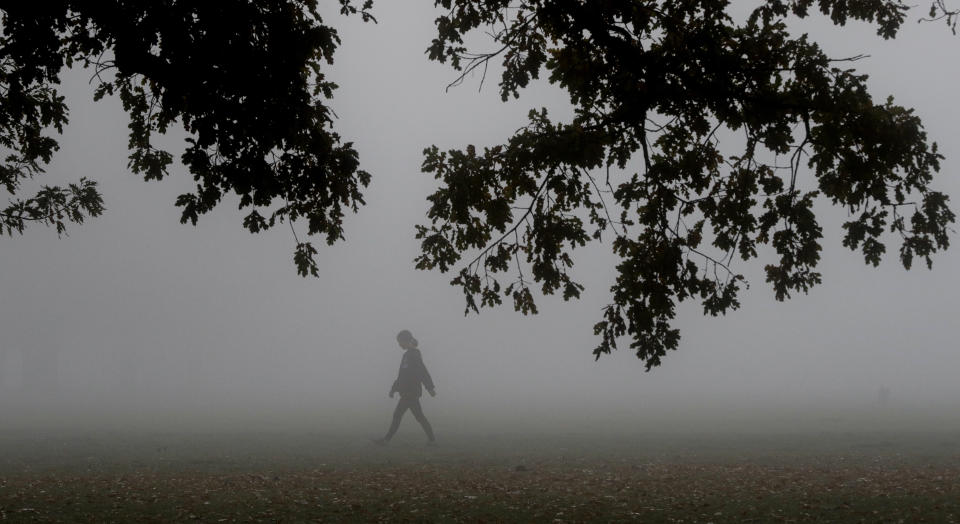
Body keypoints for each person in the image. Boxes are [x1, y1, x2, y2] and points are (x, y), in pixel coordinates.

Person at [374, 330, 436, 446]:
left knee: (399, 415)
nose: (399, 345)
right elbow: (402, 375)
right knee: (418, 417)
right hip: (407, 392)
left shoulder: (414, 354)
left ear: (407, 341)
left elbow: (422, 371)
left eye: (400, 342)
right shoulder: (406, 355)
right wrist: (394, 388)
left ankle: (386, 440)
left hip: (411, 392)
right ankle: (432, 440)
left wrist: (430, 387)